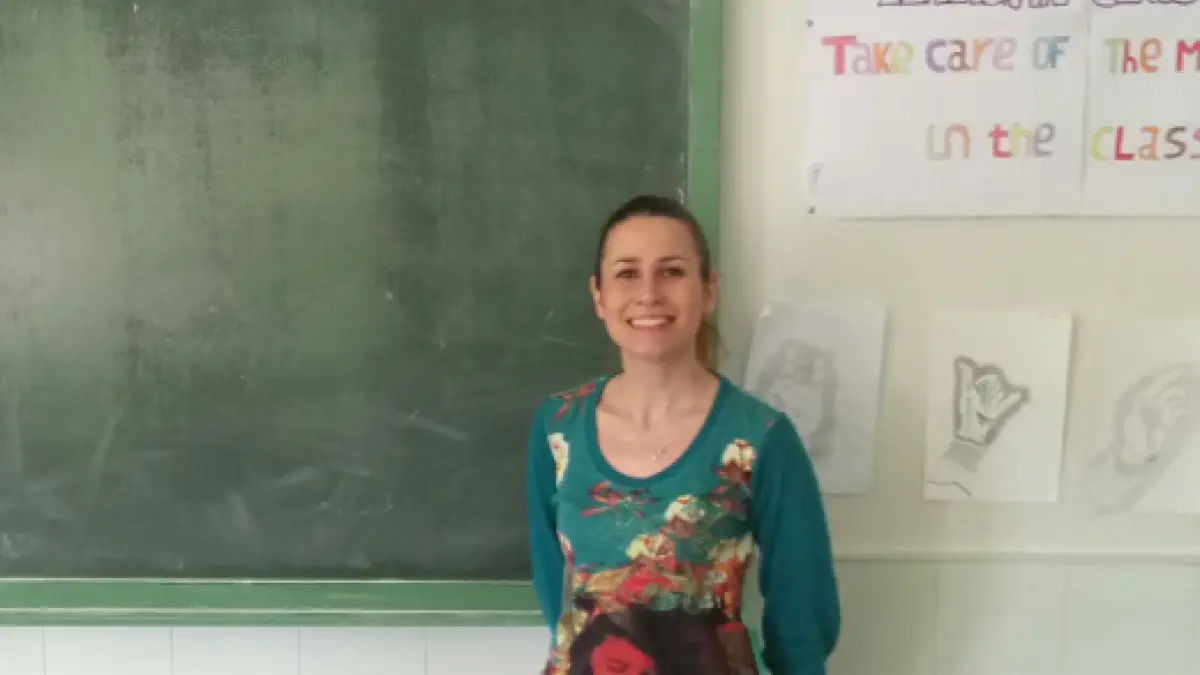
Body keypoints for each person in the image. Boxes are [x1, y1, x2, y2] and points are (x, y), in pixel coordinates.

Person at [524, 194, 841, 674]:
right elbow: (558, 603)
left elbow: (802, 616)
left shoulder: (761, 438)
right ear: (599, 296)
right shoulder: (557, 429)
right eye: (627, 274)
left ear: (708, 289)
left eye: (671, 271)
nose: (648, 293)